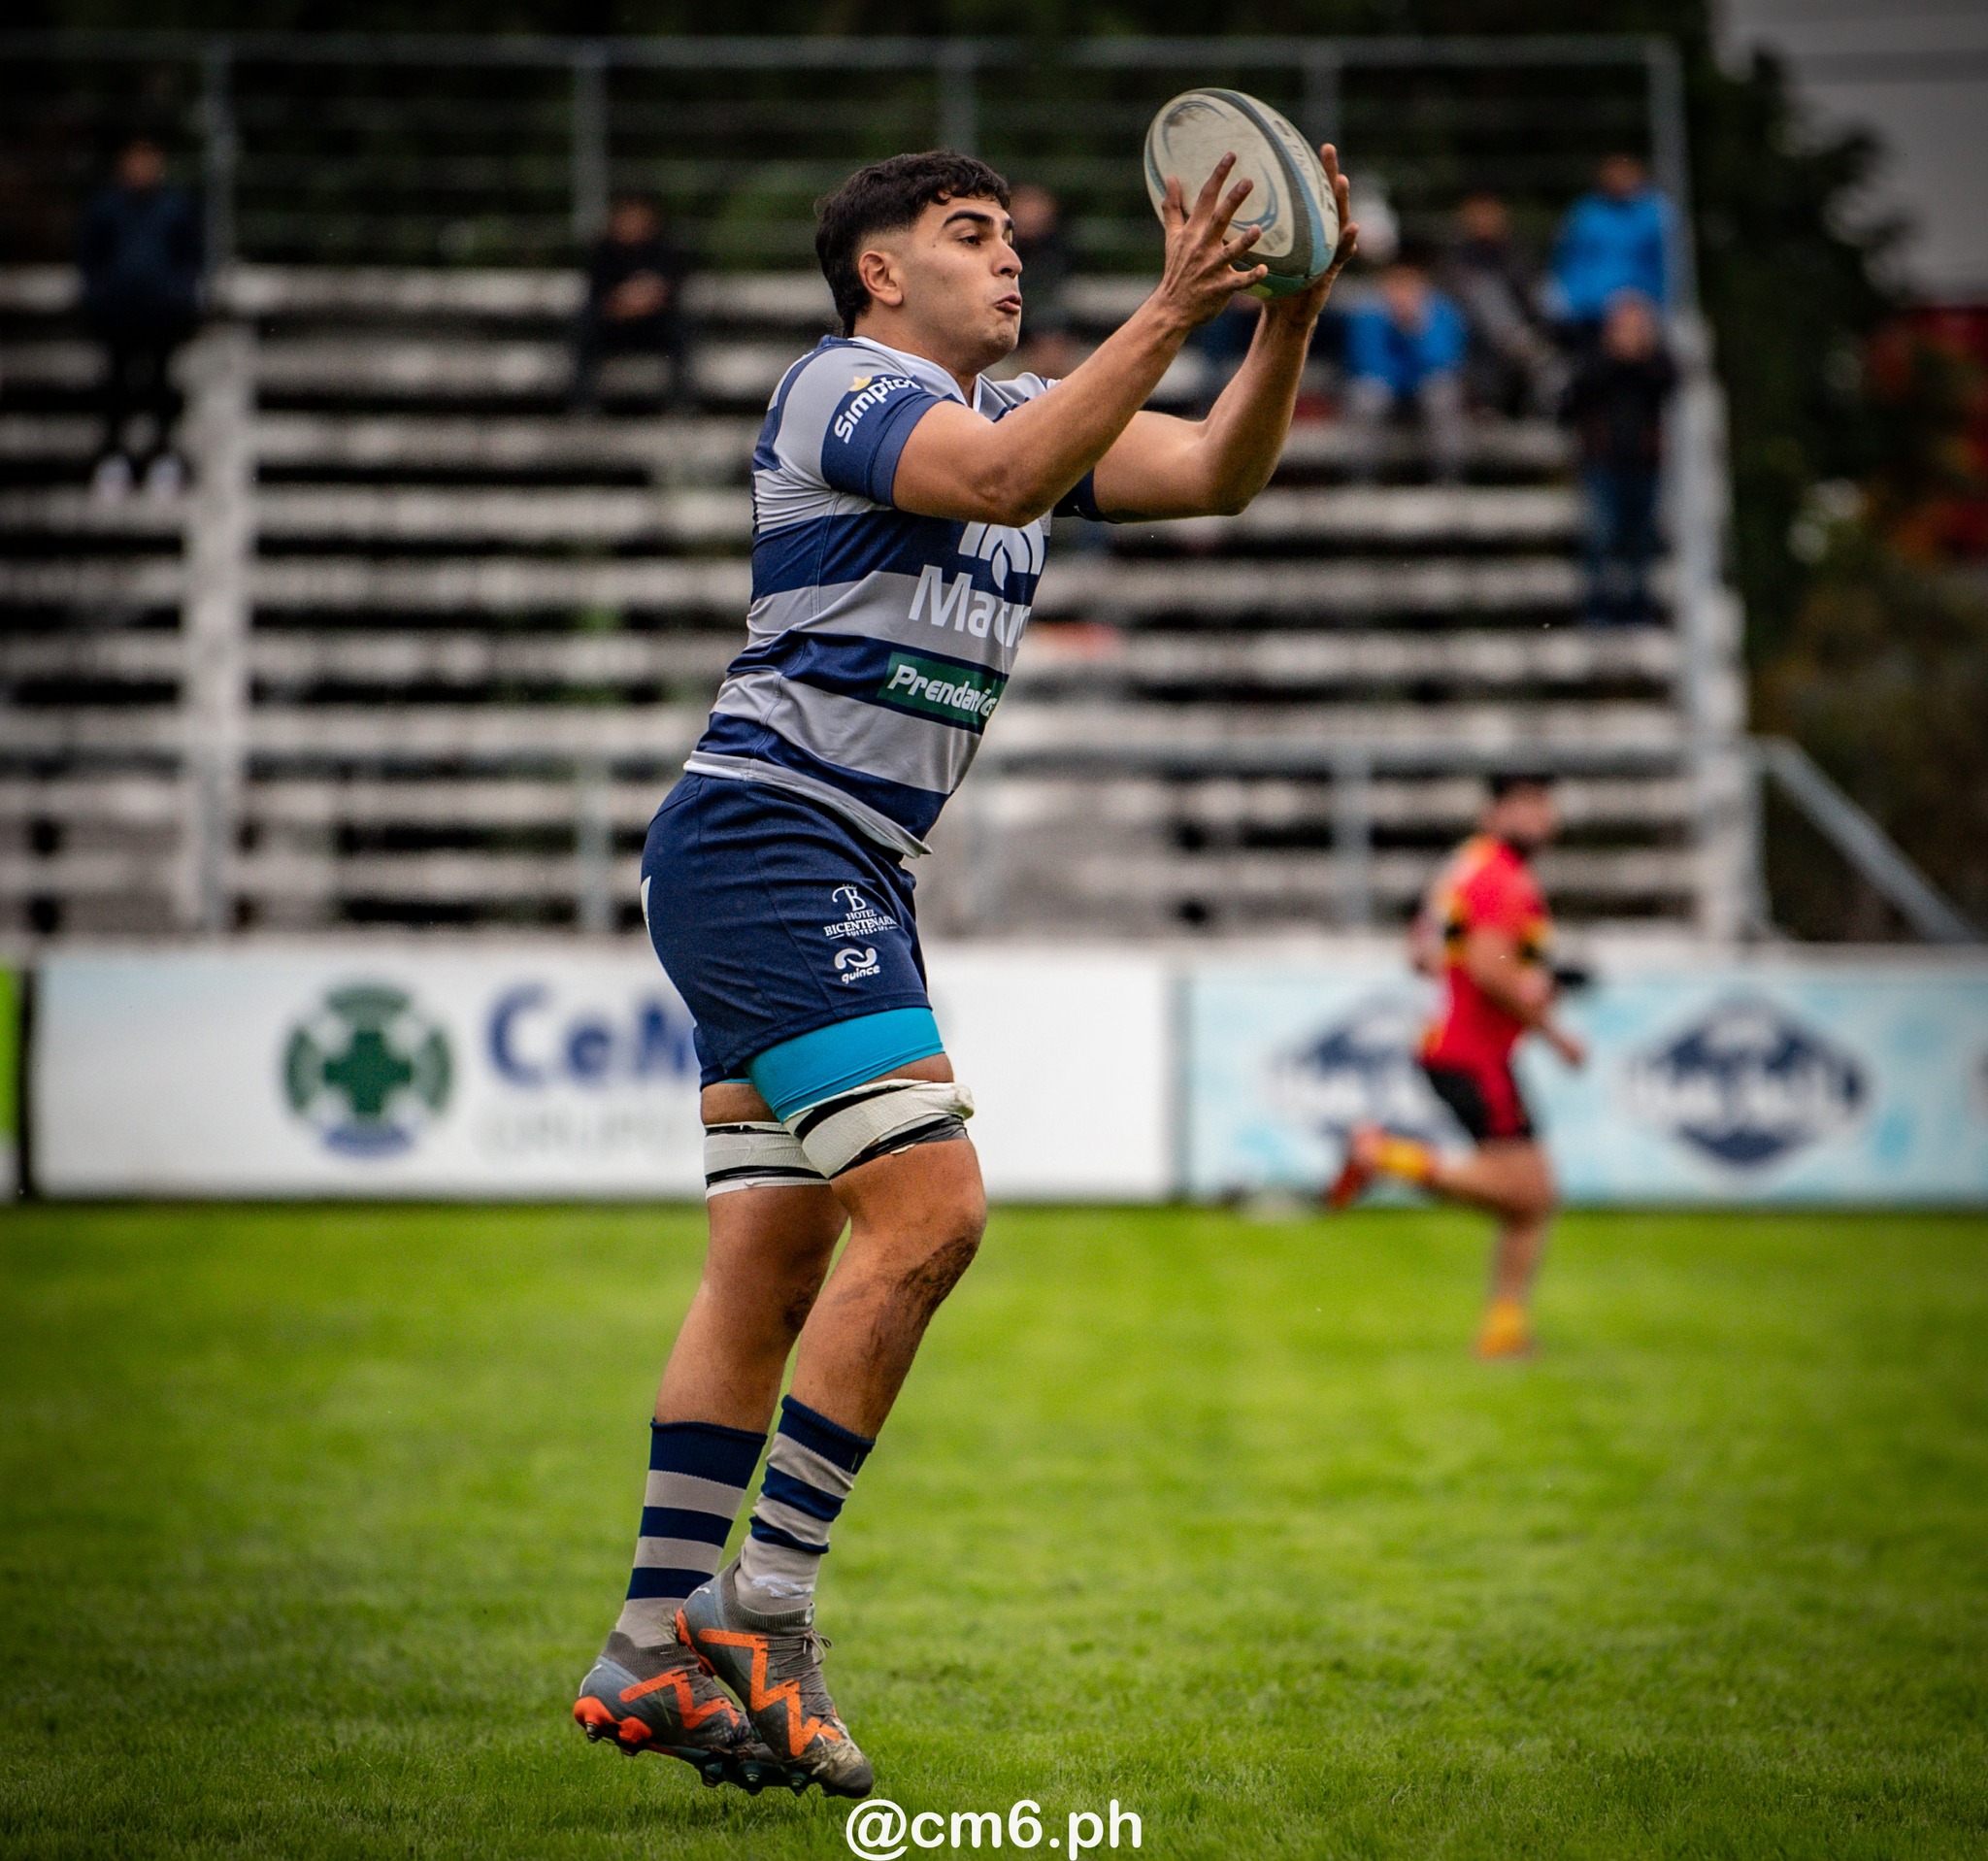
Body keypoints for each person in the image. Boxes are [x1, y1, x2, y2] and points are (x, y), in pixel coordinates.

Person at [571, 147, 1357, 1798]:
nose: (1007, 262)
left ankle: (648, 1645)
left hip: (820, 860)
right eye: (967, 235)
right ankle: (762, 1613)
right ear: (878, 273)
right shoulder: (839, 388)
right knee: (930, 1213)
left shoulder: (1024, 420)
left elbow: (1216, 469)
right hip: (772, 843)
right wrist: (1171, 301)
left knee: (765, 1274)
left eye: (1007, 237)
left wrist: (1281, 311)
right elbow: (997, 483)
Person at [1327, 772, 1587, 1361]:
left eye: (1544, 807)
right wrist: (1552, 1031)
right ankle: (1386, 1156)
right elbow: (1490, 968)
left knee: (1531, 1199)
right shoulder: (1501, 879)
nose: (1541, 821)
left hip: (1453, 1043)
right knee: (1531, 1194)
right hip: (1474, 1052)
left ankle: (1504, 1330)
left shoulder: (1464, 867)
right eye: (1526, 807)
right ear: (1494, 813)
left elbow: (1423, 954)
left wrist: (1512, 984)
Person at [76, 137, 204, 501]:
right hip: (118, 316)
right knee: (116, 387)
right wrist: (100, 299)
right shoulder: (106, 207)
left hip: (162, 316)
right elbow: (89, 258)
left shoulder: (174, 207)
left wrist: (179, 297)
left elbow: (191, 257)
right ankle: (113, 460)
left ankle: (164, 458)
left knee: (161, 388)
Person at [1562, 291, 1676, 625]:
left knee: (1641, 541)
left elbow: (1671, 379)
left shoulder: (1655, 364)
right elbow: (1576, 397)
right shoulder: (1595, 363)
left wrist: (1641, 356)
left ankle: (1637, 607)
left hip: (1644, 464)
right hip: (1603, 465)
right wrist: (1614, 359)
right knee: (1601, 537)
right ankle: (1597, 608)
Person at [1341, 259, 1468, 483]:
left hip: (1425, 386)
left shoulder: (1442, 312)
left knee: (1442, 395)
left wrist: (1414, 331)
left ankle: (1448, 479)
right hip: (1385, 386)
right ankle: (1360, 481)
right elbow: (1365, 363)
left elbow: (1444, 362)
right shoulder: (1368, 313)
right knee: (1366, 398)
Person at [1442, 194, 1563, 418]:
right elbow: (1448, 312)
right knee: (1484, 292)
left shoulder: (1518, 256)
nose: (1484, 221)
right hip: (1475, 343)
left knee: (1553, 369)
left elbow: (1536, 303)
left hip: (1523, 343)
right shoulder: (1455, 263)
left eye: (1490, 214)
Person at [571, 193, 692, 413]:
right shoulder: (602, 251)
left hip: (652, 327)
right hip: (614, 326)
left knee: (681, 327)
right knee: (584, 324)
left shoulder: (665, 250)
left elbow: (667, 293)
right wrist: (627, 301)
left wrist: (639, 300)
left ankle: (680, 400)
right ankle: (582, 402)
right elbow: (599, 298)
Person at [1544, 153, 1672, 350]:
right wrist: (1575, 300)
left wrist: (1648, 301)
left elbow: (1663, 266)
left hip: (1637, 301)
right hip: (1587, 304)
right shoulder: (1584, 213)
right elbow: (1568, 262)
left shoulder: (1655, 213)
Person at [1009, 182, 1076, 377]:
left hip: (1042, 326)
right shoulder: (1003, 250)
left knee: (1050, 327)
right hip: (1017, 324)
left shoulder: (1059, 251)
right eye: (1026, 207)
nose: (1032, 215)